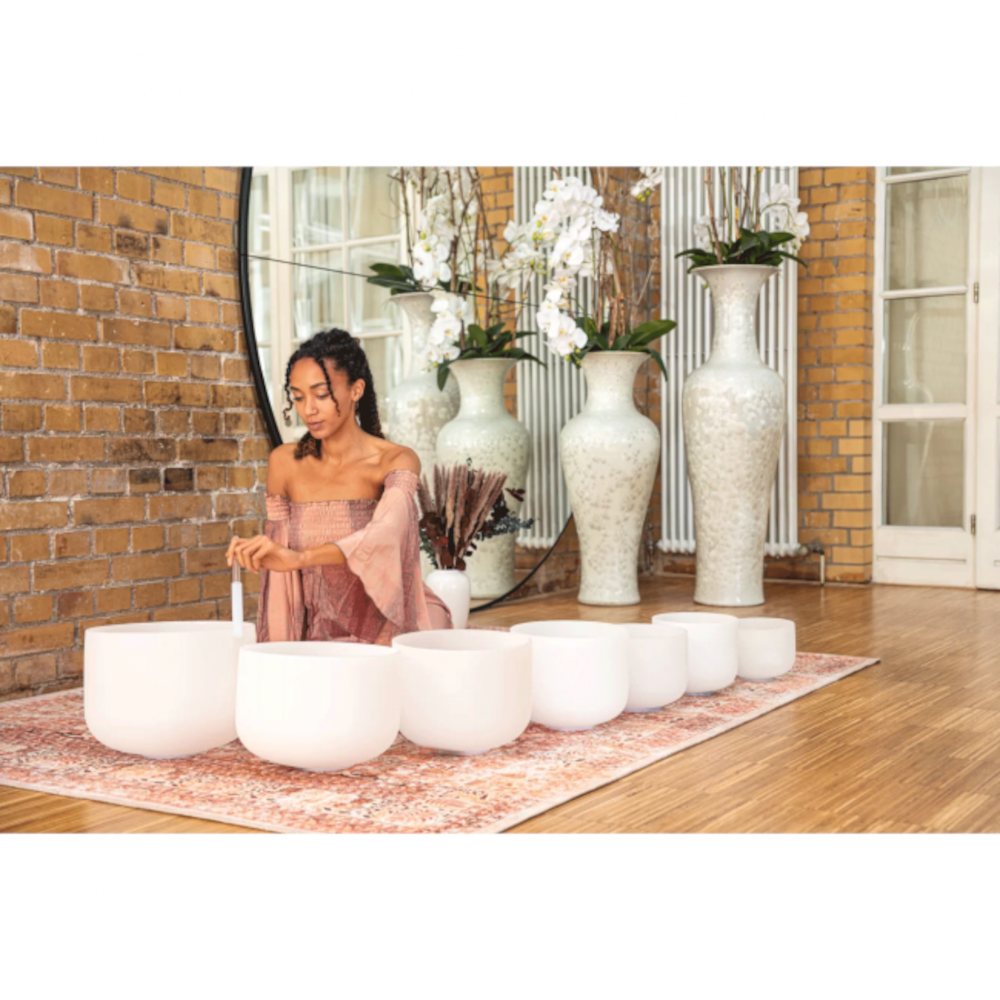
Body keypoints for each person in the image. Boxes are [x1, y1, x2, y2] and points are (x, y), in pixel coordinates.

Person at [226, 328, 453, 644]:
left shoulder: (395, 460)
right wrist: (279, 650)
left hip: (393, 621)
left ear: (356, 390)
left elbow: (384, 535)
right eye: (298, 397)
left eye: (321, 395)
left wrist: (301, 558)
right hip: (322, 632)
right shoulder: (284, 463)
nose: (308, 410)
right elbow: (281, 582)